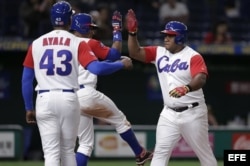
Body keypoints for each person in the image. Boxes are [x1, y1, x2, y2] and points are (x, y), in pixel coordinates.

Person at [21, 1, 132, 166]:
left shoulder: (36, 43)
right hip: (68, 98)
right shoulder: (77, 42)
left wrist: (29, 108)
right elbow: (97, 68)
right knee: (67, 151)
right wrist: (120, 64)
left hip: (44, 98)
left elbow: (26, 79)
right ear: (69, 19)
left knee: (51, 153)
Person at [125, 9, 217, 166]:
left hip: (193, 112)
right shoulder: (159, 52)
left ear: (180, 37)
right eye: (165, 35)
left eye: (170, 35)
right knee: (160, 152)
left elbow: (201, 78)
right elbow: (135, 52)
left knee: (205, 154)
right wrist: (132, 33)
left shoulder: (193, 56)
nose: (166, 38)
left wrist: (187, 88)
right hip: (168, 113)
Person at [69, 12, 153, 166]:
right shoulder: (89, 42)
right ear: (82, 28)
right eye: (90, 28)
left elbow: (99, 61)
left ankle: (141, 153)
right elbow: (114, 54)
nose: (93, 31)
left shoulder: (64, 44)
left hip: (68, 97)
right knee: (120, 120)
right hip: (86, 94)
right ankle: (140, 153)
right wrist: (116, 30)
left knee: (85, 144)